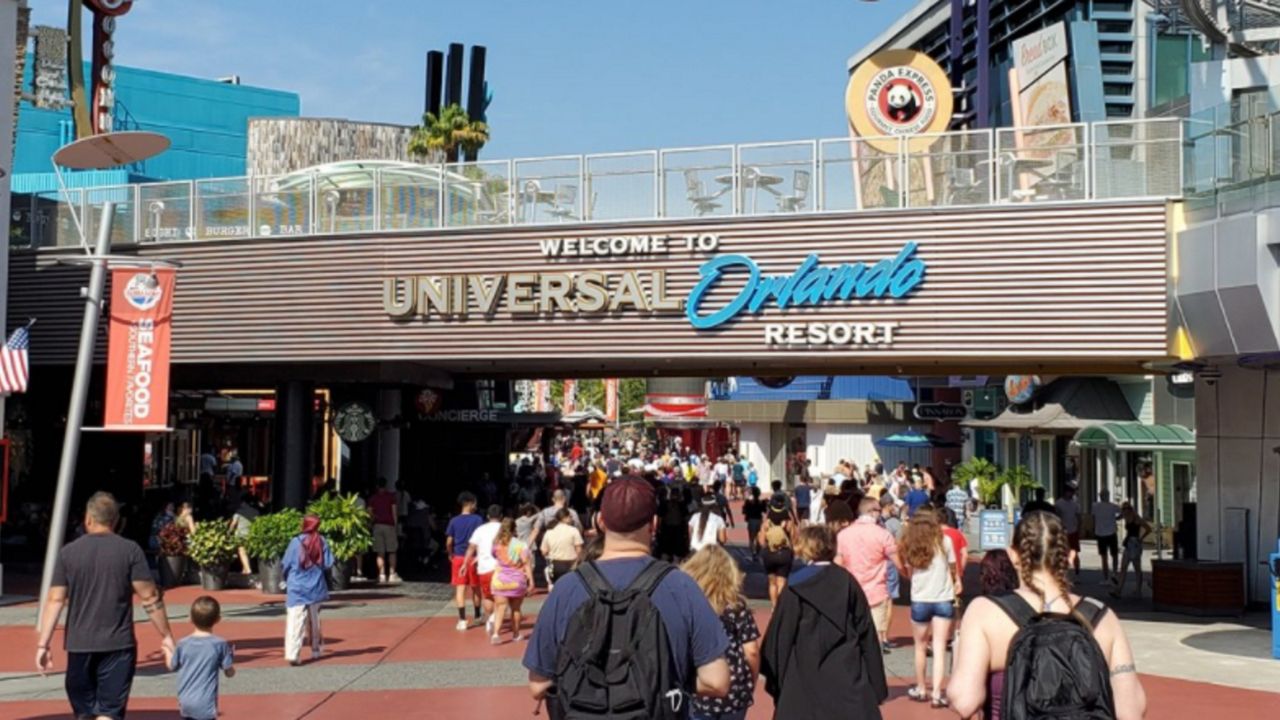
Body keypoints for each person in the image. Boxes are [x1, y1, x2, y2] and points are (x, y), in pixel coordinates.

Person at [524, 475, 731, 715]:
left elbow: (538, 685)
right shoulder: (681, 586)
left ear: (600, 521)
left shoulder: (567, 588)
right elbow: (717, 681)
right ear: (654, 523)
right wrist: (666, 682)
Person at [949, 511, 1147, 720]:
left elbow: (964, 701)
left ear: (1013, 555)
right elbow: (1131, 710)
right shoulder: (1101, 617)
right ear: (1070, 557)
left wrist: (957, 653)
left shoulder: (985, 611)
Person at [36, 492, 177, 720]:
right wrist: (166, 635)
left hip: (79, 645)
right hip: (118, 644)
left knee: (85, 712)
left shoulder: (68, 553)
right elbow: (150, 597)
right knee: (109, 711)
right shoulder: (130, 551)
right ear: (115, 521)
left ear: (88, 519)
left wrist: (43, 644)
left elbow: (55, 600)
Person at [761, 525, 888, 720]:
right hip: (846, 675)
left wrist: (777, 680)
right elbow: (866, 634)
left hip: (803, 676)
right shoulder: (848, 582)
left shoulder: (795, 587)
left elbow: (781, 636)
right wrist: (876, 685)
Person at [681, 545, 761, 720]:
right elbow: (751, 651)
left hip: (700, 683)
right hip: (733, 686)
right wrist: (750, 682)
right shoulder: (736, 606)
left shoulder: (687, 605)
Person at [898, 508, 959, 707]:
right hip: (943, 597)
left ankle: (921, 688)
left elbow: (907, 571)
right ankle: (937, 693)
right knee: (940, 647)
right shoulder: (945, 541)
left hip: (920, 598)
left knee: (920, 647)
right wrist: (954, 579)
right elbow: (952, 567)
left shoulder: (911, 544)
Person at [836, 496, 902, 653]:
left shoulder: (843, 534)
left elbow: (838, 563)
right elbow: (898, 561)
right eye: (878, 510)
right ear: (872, 512)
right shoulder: (882, 534)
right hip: (876, 591)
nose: (880, 514)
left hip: (851, 590)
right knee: (875, 635)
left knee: (852, 633)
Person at [168, 596, 235, 720]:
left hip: (185, 700)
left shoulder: (182, 644)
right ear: (218, 619)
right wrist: (231, 662)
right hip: (206, 702)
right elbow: (229, 672)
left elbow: (172, 665)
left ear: (190, 619)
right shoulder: (219, 644)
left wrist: (168, 651)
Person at [281, 514, 334, 665]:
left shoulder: (295, 542)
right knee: (314, 618)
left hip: (297, 586)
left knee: (294, 620)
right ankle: (316, 648)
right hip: (316, 584)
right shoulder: (321, 541)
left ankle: (293, 654)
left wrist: (286, 578)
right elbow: (328, 563)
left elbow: (286, 563)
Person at [490, 518, 535, 645]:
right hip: (517, 580)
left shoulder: (496, 544)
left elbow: (494, 555)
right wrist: (531, 581)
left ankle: (496, 634)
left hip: (500, 580)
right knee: (516, 609)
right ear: (515, 529)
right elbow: (526, 564)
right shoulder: (521, 545)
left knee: (499, 608)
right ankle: (515, 634)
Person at [445, 492, 485, 631]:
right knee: (476, 588)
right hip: (473, 558)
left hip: (458, 558)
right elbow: (481, 540)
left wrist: (450, 554)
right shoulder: (478, 520)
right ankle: (478, 615)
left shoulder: (454, 521)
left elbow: (449, 541)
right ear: (471, 503)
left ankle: (462, 619)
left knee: (460, 589)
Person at [463, 505, 505, 634]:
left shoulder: (480, 529)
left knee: (487, 596)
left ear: (487, 516)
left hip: (484, 568)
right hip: (503, 568)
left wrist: (465, 563)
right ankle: (494, 617)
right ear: (501, 516)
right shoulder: (505, 529)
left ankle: (489, 619)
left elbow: (471, 547)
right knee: (502, 596)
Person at [758, 495, 796, 608]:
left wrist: (767, 546)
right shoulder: (788, 522)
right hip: (784, 553)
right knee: (781, 582)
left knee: (772, 582)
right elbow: (794, 539)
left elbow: (761, 541)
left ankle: (774, 606)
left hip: (769, 554)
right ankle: (781, 607)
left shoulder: (767, 523)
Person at [1112, 503, 1152, 599]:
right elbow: (1117, 518)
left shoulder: (1137, 518)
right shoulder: (1125, 517)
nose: (1123, 511)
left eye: (1125, 509)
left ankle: (1138, 590)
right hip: (1128, 544)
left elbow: (1148, 528)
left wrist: (1141, 538)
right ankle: (1118, 590)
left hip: (1134, 544)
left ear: (1129, 509)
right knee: (1123, 567)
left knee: (1137, 568)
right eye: (1123, 509)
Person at [540, 508, 584, 592]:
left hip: (555, 564)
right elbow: (579, 550)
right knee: (571, 589)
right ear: (565, 518)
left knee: (556, 588)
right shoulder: (574, 531)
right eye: (570, 517)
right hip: (571, 563)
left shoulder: (549, 532)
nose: (571, 519)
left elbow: (544, 551)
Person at [656, 483, 692, 561]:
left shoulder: (666, 504)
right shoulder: (681, 504)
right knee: (674, 547)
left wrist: (658, 528)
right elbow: (686, 517)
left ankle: (669, 559)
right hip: (674, 528)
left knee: (668, 547)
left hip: (669, 528)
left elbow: (659, 517)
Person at [1093, 489, 1121, 581]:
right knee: (1114, 554)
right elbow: (1123, 512)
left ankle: (1106, 578)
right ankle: (1115, 572)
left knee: (1104, 556)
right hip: (1111, 532)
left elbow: (1093, 517)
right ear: (1108, 496)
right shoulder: (1113, 506)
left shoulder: (1095, 506)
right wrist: (1116, 519)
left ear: (1100, 496)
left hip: (1100, 533)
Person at [230, 497, 260, 579]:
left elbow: (233, 524)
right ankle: (244, 568)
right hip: (250, 536)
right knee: (248, 553)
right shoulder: (255, 512)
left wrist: (229, 532)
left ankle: (248, 569)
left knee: (242, 552)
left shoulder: (239, 513)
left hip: (241, 535)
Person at [1054, 484, 1082, 572]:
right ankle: (1064, 570)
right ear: (1065, 492)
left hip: (1073, 531)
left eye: (1072, 492)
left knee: (1075, 552)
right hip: (1063, 531)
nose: (1070, 494)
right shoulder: (1059, 503)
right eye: (1069, 492)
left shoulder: (1075, 504)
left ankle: (1077, 571)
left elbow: (1078, 517)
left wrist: (1079, 529)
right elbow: (1056, 517)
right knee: (1062, 552)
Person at [742, 486, 766, 559]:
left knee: (751, 538)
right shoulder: (761, 502)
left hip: (751, 520)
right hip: (759, 520)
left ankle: (753, 553)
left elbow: (744, 511)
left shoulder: (748, 502)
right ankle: (757, 553)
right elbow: (764, 511)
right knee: (759, 537)